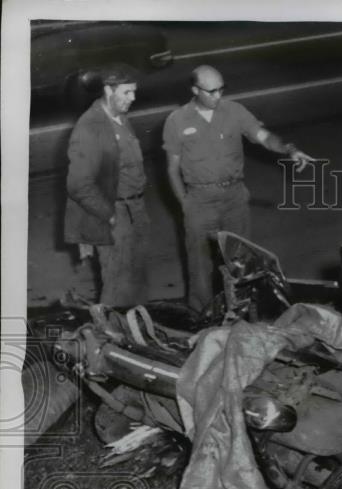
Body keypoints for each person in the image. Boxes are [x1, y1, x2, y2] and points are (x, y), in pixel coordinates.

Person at [163, 65, 314, 310]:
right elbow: (172, 169)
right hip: (199, 200)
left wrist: (289, 149)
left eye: (221, 89)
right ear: (194, 90)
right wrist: (185, 204)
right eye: (210, 91)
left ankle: (243, 309)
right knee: (199, 264)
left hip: (234, 198)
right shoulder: (177, 121)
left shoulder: (234, 111)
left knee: (242, 260)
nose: (217, 96)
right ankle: (200, 314)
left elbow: (264, 136)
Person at [64, 63, 150, 307]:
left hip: (136, 209)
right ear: (108, 91)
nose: (133, 98)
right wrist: (108, 216)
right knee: (117, 285)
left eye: (134, 91)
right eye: (127, 92)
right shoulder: (90, 127)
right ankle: (109, 339)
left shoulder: (120, 117)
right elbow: (79, 185)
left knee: (138, 280)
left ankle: (138, 333)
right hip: (115, 213)